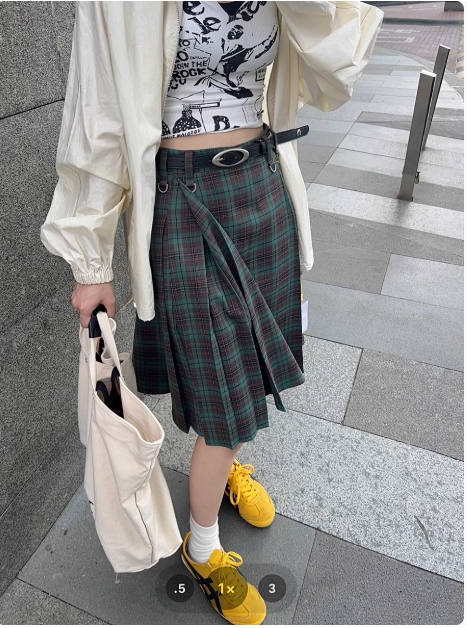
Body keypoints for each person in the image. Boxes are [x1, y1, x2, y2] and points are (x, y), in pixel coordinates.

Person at [40, 2, 384, 624]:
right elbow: (98, 112)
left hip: (263, 187)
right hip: (181, 198)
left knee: (247, 369)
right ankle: (203, 549)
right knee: (224, 391)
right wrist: (91, 265)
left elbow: (336, 68)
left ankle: (221, 468)